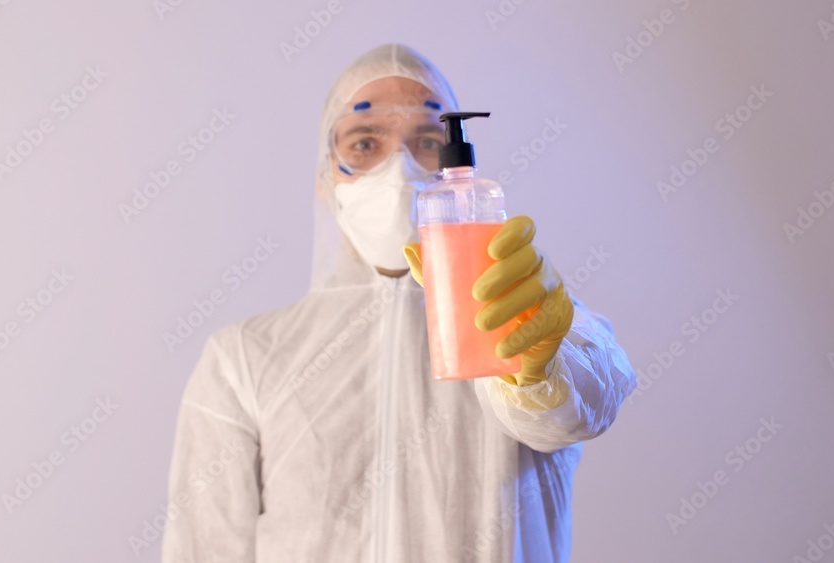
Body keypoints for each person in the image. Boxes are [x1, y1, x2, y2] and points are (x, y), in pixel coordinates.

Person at [161, 43, 636, 563]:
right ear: (325, 178)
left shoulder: (524, 321)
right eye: (365, 142)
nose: (398, 169)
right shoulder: (244, 359)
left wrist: (539, 372)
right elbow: (204, 549)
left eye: (428, 142)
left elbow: (586, 399)